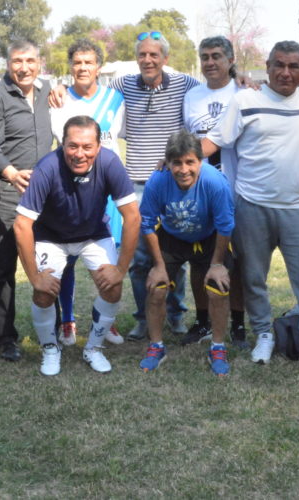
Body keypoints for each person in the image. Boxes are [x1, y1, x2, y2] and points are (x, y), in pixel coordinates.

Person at [204, 41, 299, 379]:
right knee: (252, 278)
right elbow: (214, 141)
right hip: (251, 205)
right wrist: (177, 156)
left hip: (298, 206)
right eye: (279, 65)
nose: (286, 72)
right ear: (267, 65)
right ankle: (263, 334)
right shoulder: (245, 101)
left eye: (294, 66)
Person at [13, 116, 140, 375]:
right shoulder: (47, 167)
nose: (79, 154)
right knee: (44, 292)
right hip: (51, 237)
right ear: (62, 144)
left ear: (98, 147)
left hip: (93, 234)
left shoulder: (110, 162)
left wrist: (120, 269)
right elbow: (21, 225)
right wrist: (34, 277)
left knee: (112, 287)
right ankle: (50, 348)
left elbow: (133, 217)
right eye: (72, 146)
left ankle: (93, 348)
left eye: (87, 147)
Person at [106, 32, 200, 341]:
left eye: (154, 55)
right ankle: (144, 317)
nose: (148, 60)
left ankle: (175, 315)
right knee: (139, 259)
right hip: (135, 185)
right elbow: (93, 92)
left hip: (173, 183)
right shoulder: (123, 84)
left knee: (174, 254)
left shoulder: (185, 84)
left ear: (165, 59)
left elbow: (219, 91)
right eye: (143, 54)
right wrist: (59, 93)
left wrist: (242, 79)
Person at [48, 38, 126, 347]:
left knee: (108, 260)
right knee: (66, 261)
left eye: (88, 62)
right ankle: (67, 321)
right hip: (69, 192)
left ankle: (106, 320)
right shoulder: (58, 99)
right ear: (70, 66)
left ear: (99, 67)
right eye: (77, 62)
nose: (82, 68)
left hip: (107, 194)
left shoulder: (116, 99)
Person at [0, 41, 54, 361]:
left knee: (52, 260)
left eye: (30, 61)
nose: (23, 67)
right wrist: (10, 173)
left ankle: (54, 328)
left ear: (40, 63)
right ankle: (5, 337)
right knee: (5, 267)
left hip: (46, 193)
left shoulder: (49, 90)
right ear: (8, 64)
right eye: (16, 61)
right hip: (9, 193)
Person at [138, 130, 236, 375]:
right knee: (157, 288)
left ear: (200, 161)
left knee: (218, 287)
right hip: (172, 236)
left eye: (190, 162)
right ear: (168, 163)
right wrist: (159, 266)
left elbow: (225, 225)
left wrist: (217, 264)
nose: (184, 170)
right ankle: (156, 345)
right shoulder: (157, 181)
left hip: (210, 235)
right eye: (177, 163)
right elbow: (147, 223)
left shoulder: (215, 181)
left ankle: (217, 346)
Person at [181, 35, 246, 349]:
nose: (210, 62)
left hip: (238, 187)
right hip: (199, 190)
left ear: (231, 60)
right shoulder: (192, 95)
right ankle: (203, 319)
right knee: (199, 259)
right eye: (205, 56)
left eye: (217, 56)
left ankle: (239, 322)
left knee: (236, 260)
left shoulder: (245, 92)